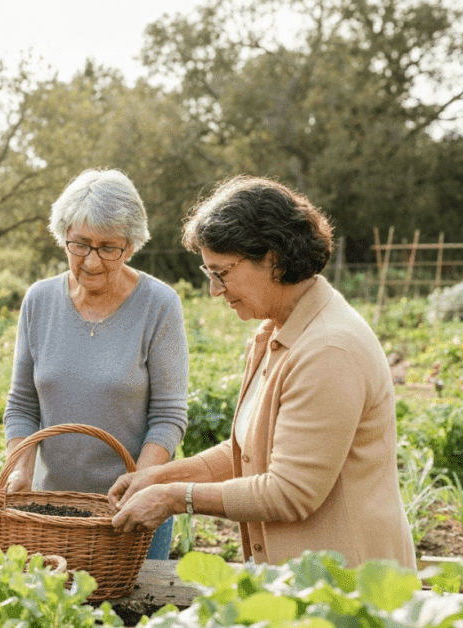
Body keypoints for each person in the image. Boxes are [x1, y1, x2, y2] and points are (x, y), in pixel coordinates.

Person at [107, 175, 416, 569]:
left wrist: (175, 498)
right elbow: (247, 452)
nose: (215, 290)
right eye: (209, 274)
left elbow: (290, 492)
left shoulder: (328, 349)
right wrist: (159, 478)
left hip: (350, 586)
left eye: (222, 272)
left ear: (272, 258)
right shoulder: (277, 331)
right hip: (303, 580)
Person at [3, 169, 189, 560]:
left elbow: (169, 415)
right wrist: (20, 470)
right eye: (80, 244)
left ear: (131, 245)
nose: (91, 261)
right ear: (63, 235)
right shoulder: (39, 300)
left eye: (109, 248)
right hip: (51, 512)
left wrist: (137, 483)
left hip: (131, 510)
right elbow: (22, 405)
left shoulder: (159, 305)